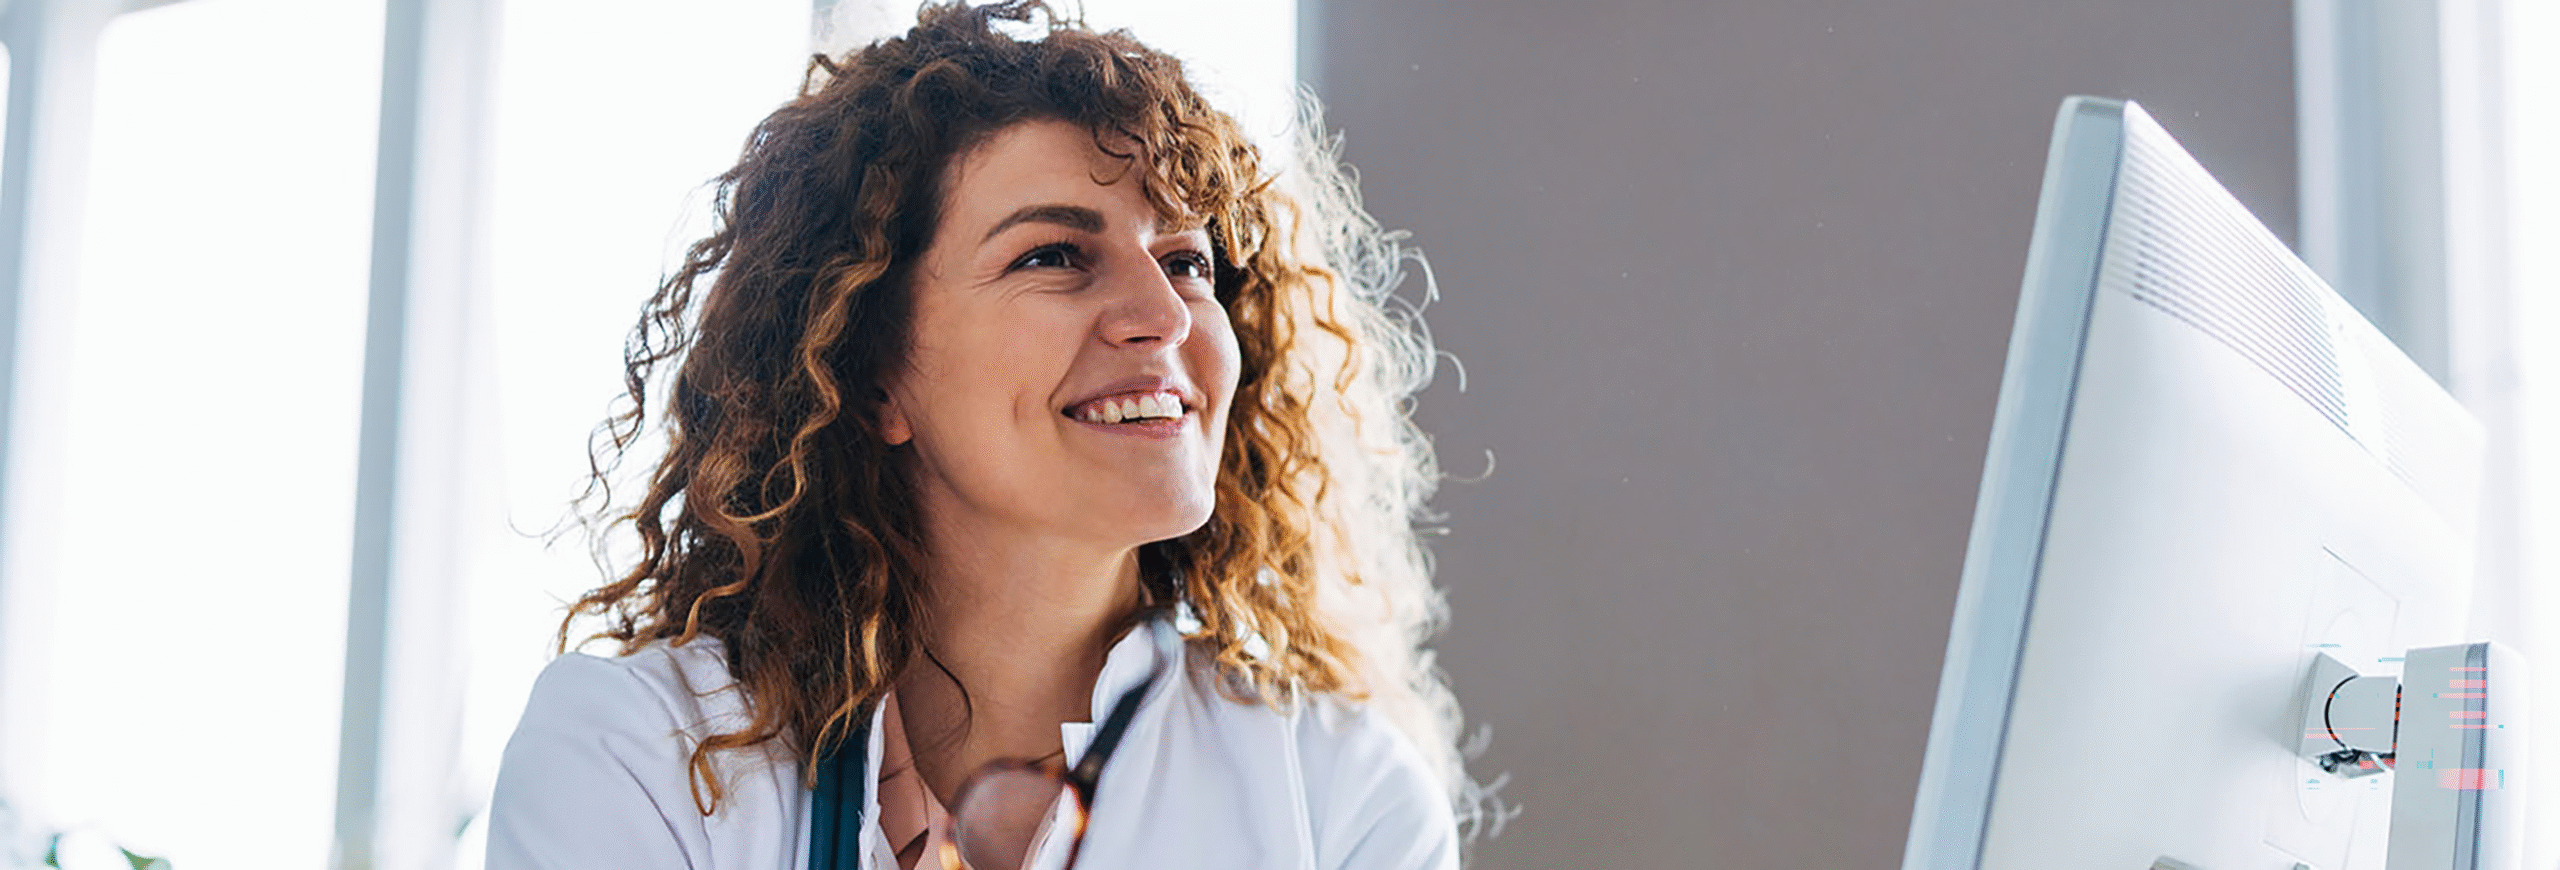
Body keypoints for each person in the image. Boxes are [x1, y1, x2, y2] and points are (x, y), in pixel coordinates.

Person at [484, 3, 1487, 868]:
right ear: (869, 373)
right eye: (1054, 255)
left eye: (1187, 261)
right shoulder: (637, 752)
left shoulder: (1342, 796)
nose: (1166, 314)